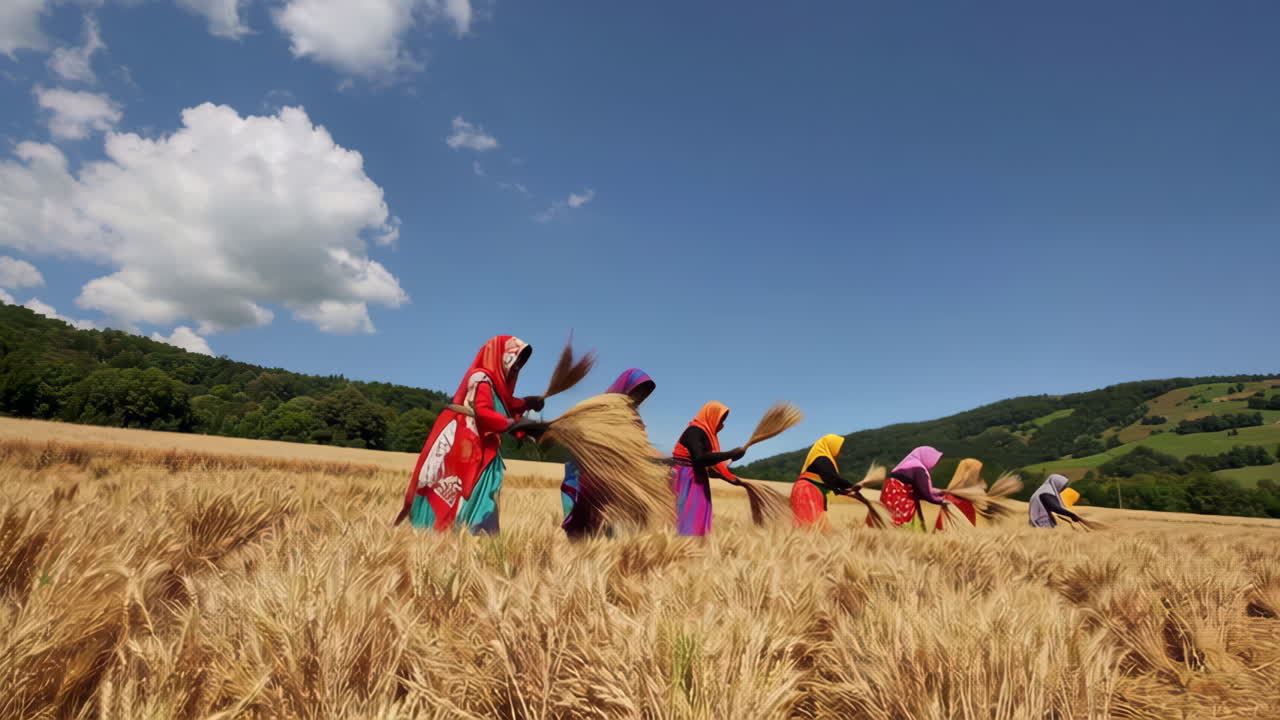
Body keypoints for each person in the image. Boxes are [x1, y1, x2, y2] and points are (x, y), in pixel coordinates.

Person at [394, 335, 545, 534]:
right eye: (515, 359)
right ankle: (469, 532)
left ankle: (470, 534)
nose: (518, 366)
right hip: (466, 442)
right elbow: (484, 411)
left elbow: (503, 403)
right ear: (501, 357)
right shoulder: (481, 378)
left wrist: (526, 403)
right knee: (469, 485)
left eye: (521, 362)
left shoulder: (491, 382)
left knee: (479, 485)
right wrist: (514, 423)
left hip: (478, 441)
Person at [560, 368, 656, 538]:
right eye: (636, 392)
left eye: (643, 394)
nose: (638, 398)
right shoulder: (599, 408)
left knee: (613, 530)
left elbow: (640, 446)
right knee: (583, 529)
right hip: (588, 475)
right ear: (625, 388)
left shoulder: (635, 420)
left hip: (616, 480)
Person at [671, 401, 745, 536]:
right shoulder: (694, 431)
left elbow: (710, 469)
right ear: (711, 415)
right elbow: (699, 459)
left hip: (698, 479)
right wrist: (730, 454)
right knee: (687, 518)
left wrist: (729, 473)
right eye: (720, 419)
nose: (722, 424)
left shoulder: (708, 436)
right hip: (686, 479)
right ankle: (683, 551)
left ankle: (694, 550)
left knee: (696, 517)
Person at [873, 446, 948, 532]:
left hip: (890, 494)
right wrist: (941, 501)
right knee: (900, 526)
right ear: (927, 457)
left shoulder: (909, 464)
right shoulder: (918, 469)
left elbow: (922, 489)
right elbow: (925, 492)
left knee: (887, 522)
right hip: (899, 497)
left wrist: (941, 492)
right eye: (933, 460)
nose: (934, 464)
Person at [791, 434, 857, 530]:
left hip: (806, 491)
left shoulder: (821, 458)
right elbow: (832, 479)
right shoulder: (822, 459)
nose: (840, 452)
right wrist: (851, 486)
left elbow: (829, 481)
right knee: (811, 527)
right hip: (807, 492)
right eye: (838, 447)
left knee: (807, 527)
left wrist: (843, 491)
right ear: (831, 445)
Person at [935, 458, 982, 530]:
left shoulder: (964, 497)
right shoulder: (954, 499)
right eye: (976, 472)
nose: (978, 476)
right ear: (968, 474)